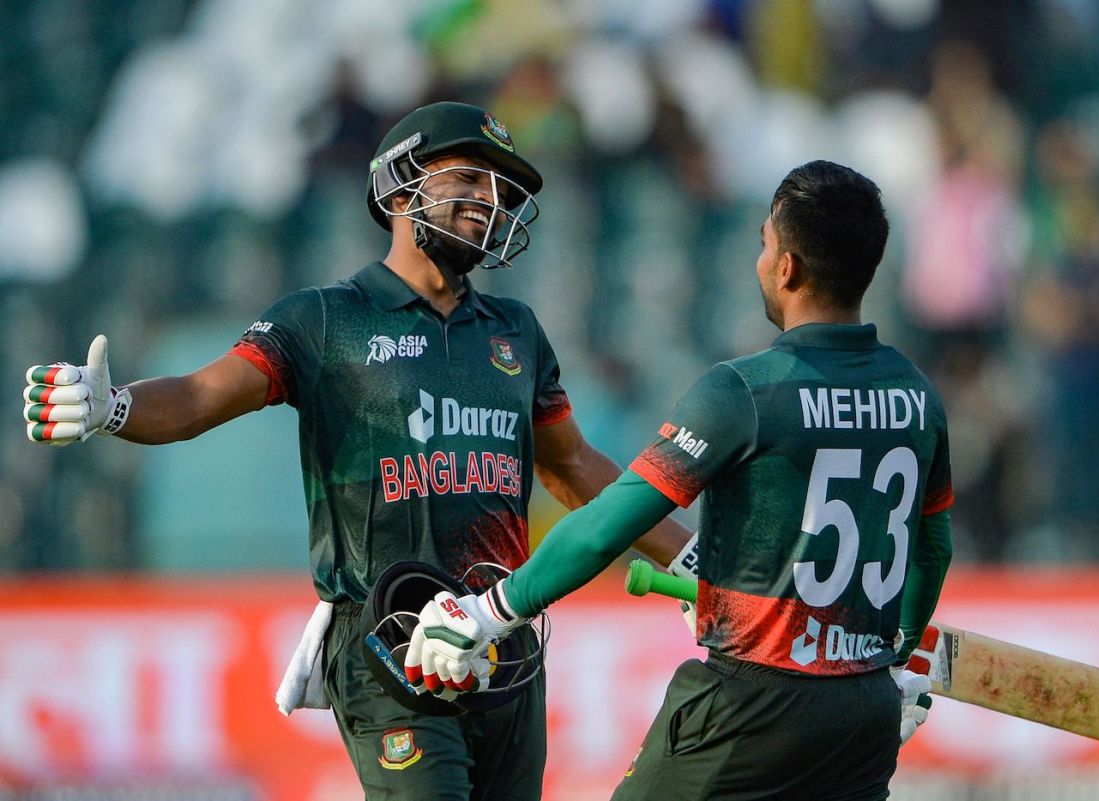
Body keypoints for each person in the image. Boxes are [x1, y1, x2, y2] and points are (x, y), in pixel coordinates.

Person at [21, 101, 695, 800]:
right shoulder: (326, 318)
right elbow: (199, 396)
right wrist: (115, 405)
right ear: (400, 188)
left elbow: (576, 466)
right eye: (468, 176)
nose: (489, 201)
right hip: (387, 640)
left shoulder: (517, 329)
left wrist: (687, 553)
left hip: (503, 637)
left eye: (500, 187)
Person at [405, 160, 955, 800]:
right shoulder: (918, 396)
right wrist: (898, 659)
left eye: (764, 244)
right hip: (862, 713)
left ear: (788, 268)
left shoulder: (744, 391)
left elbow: (609, 524)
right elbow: (931, 551)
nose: (759, 262)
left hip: (752, 705)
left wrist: (490, 610)